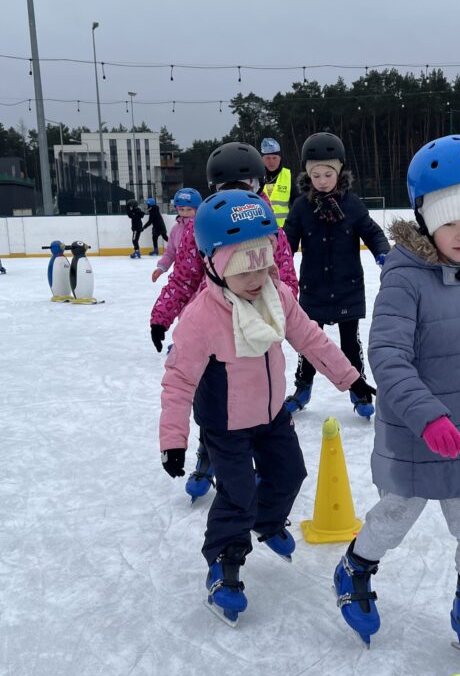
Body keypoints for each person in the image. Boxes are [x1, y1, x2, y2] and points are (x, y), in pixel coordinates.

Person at [331, 134, 460, 675]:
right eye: (449, 222)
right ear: (423, 219)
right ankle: (355, 568)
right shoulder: (404, 278)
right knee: (394, 516)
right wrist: (428, 415)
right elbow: (387, 356)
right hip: (418, 430)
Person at [159, 190, 374, 626]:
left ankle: (269, 521)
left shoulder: (275, 296)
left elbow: (310, 338)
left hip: (273, 414)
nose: (257, 277)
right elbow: (179, 381)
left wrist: (350, 378)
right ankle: (224, 563)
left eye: (263, 263)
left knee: (291, 473)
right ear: (214, 266)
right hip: (226, 423)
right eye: (244, 269)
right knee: (237, 494)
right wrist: (174, 442)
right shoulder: (201, 317)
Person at [150, 142, 299, 502]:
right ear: (214, 190)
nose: (235, 195)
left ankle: (263, 467)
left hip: (254, 328)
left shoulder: (267, 228)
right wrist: (161, 317)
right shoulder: (205, 225)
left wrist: (284, 314)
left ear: (257, 185)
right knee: (213, 399)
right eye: (226, 188)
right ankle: (208, 454)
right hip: (212, 329)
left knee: (255, 399)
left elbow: (285, 278)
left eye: (244, 185)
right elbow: (184, 277)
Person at [282, 132, 389, 419]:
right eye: (315, 175)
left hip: (347, 287)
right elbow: (287, 240)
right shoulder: (302, 207)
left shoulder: (351, 204)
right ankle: (302, 388)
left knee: (349, 344)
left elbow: (372, 231)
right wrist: (277, 265)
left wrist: (383, 253)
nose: (322, 180)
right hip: (313, 288)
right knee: (309, 344)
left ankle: (360, 390)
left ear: (339, 171)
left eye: (328, 174)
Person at [151, 187, 202, 283]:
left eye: (189, 209)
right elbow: (170, 252)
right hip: (182, 276)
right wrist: (161, 267)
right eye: (181, 209)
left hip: (201, 276)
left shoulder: (200, 227)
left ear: (197, 209)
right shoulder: (176, 229)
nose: (185, 213)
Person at [260, 137, 293, 222]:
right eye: (268, 158)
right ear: (262, 159)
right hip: (264, 231)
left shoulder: (288, 176)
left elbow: (298, 205)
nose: (271, 162)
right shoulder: (257, 178)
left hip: (285, 230)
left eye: (274, 158)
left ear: (280, 158)